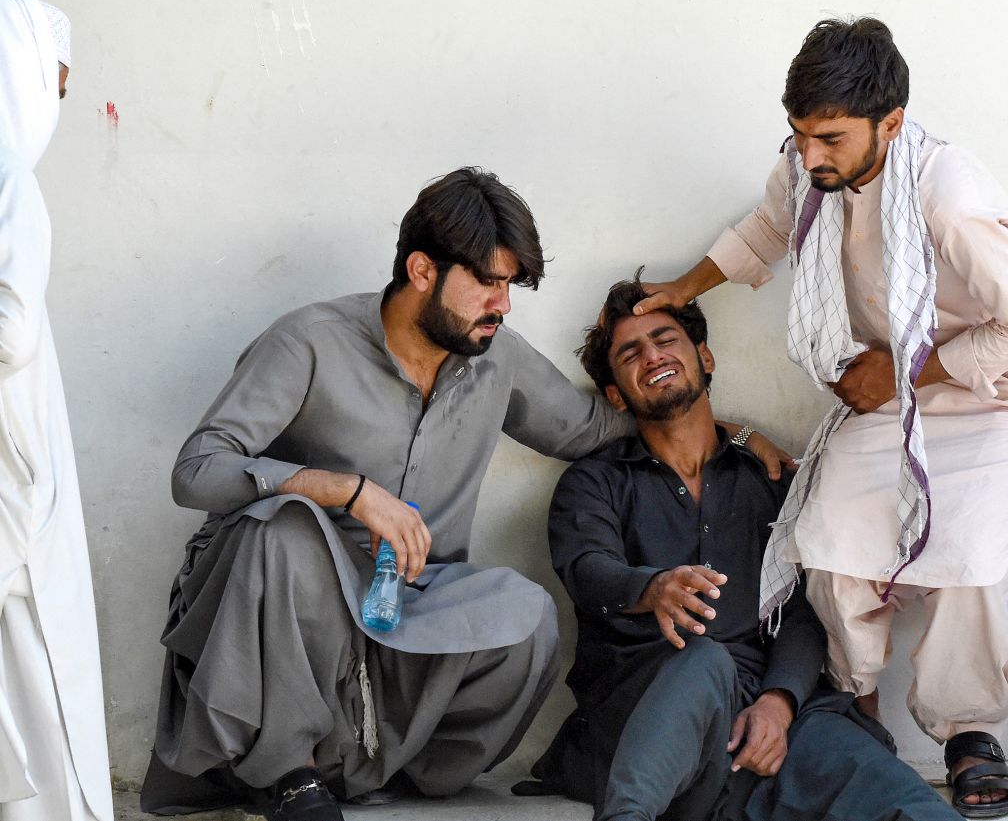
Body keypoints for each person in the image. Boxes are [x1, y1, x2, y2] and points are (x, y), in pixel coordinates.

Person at [139, 169, 790, 821]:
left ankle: (391, 772)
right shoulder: (308, 341)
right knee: (282, 529)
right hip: (286, 602)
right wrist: (341, 489)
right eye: (487, 282)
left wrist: (731, 429)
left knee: (526, 614)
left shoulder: (496, 358)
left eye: (509, 285)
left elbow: (600, 425)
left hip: (407, 607)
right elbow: (196, 469)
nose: (502, 304)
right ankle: (290, 772)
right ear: (422, 270)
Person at [636, 16, 1008, 817]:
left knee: (972, 553)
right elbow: (770, 228)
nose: (811, 156)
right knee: (828, 537)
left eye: (830, 139)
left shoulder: (951, 195)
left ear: (892, 122)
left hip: (995, 395)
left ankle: (969, 731)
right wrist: (683, 288)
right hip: (892, 393)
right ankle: (855, 705)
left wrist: (905, 370)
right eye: (799, 134)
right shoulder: (805, 164)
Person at [518, 276, 960, 821]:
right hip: (646, 716)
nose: (652, 355)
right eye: (629, 353)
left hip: (764, 719)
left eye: (666, 339)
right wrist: (649, 588)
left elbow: (803, 612)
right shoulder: (594, 483)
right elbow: (588, 570)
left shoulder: (771, 479)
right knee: (703, 662)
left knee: (906, 801)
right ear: (615, 392)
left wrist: (780, 703)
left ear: (704, 357)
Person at [0, 0, 113, 820]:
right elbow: (11, 330)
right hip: (13, 460)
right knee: (37, 662)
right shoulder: (8, 180)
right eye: (54, 85)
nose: (57, 107)